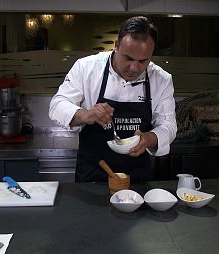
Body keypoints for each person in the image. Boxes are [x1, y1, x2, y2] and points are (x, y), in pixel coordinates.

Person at [49, 16, 177, 182]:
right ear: (116, 46)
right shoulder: (86, 68)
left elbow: (168, 126)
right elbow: (57, 105)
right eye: (128, 58)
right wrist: (86, 115)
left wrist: (149, 139)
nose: (134, 68)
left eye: (143, 61)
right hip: (92, 175)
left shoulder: (161, 79)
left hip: (136, 179)